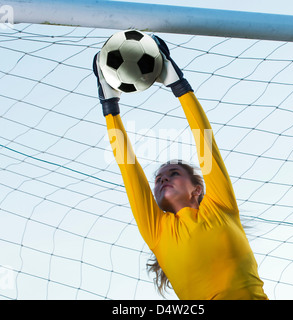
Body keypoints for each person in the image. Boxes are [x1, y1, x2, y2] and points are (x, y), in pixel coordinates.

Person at [93, 35, 268, 300]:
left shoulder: (221, 207)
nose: (162, 180)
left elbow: (205, 142)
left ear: (197, 188)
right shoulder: (158, 231)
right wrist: (110, 108)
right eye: (159, 178)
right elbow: (128, 167)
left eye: (173, 173)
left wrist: (179, 85)